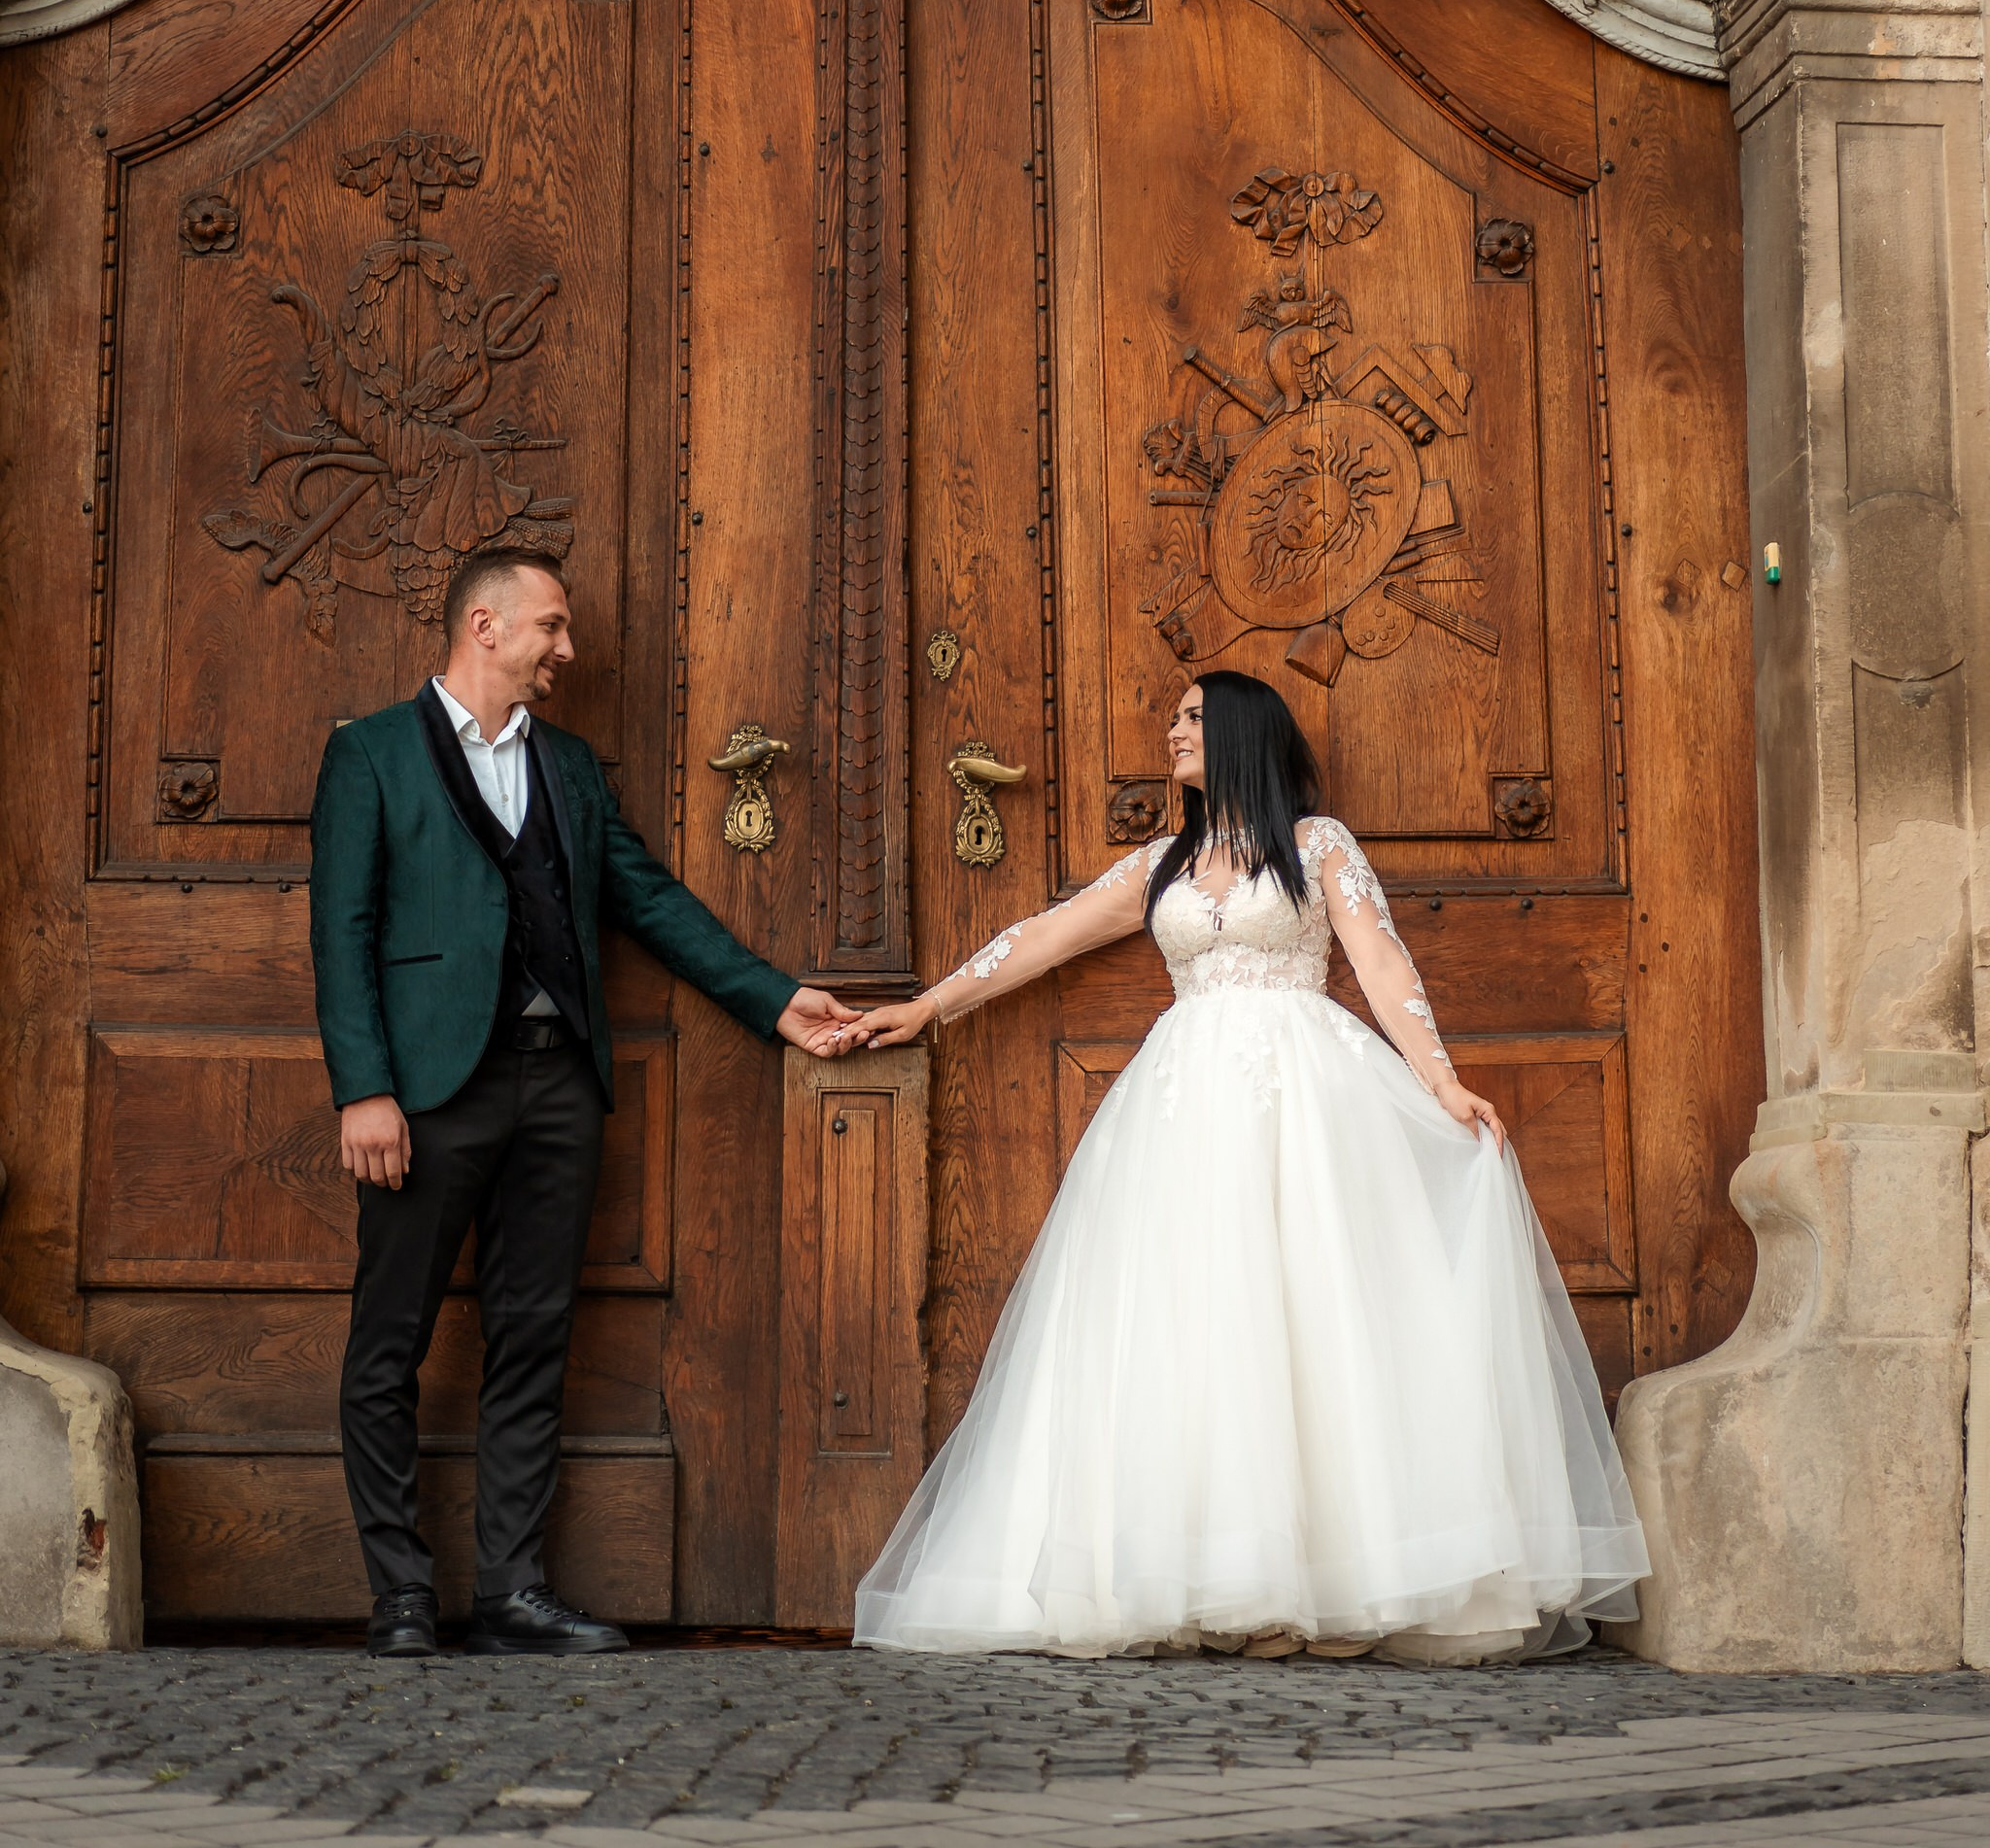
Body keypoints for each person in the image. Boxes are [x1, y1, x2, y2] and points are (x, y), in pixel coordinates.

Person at [847, 669, 1649, 1661]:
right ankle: (1211, 1581)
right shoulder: (1160, 866)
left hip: (1306, 1100)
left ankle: (1329, 1580)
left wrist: (1439, 1082)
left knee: (1315, 1313)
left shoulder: (1317, 845)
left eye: (1188, 718)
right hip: (1180, 1109)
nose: (1169, 731)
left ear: (1236, 733)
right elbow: (1040, 940)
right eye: (1173, 718)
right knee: (1193, 1323)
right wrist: (923, 1007)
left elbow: (1382, 961)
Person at [310, 548, 867, 1660]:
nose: (566, 649)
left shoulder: (568, 766)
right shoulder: (368, 754)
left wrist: (773, 1001)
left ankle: (513, 1592)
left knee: (534, 1336)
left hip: (557, 1084)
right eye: (550, 627)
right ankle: (401, 1594)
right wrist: (365, 1089)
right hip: (426, 1094)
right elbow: (343, 933)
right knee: (388, 1345)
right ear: (484, 626)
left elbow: (646, 900)